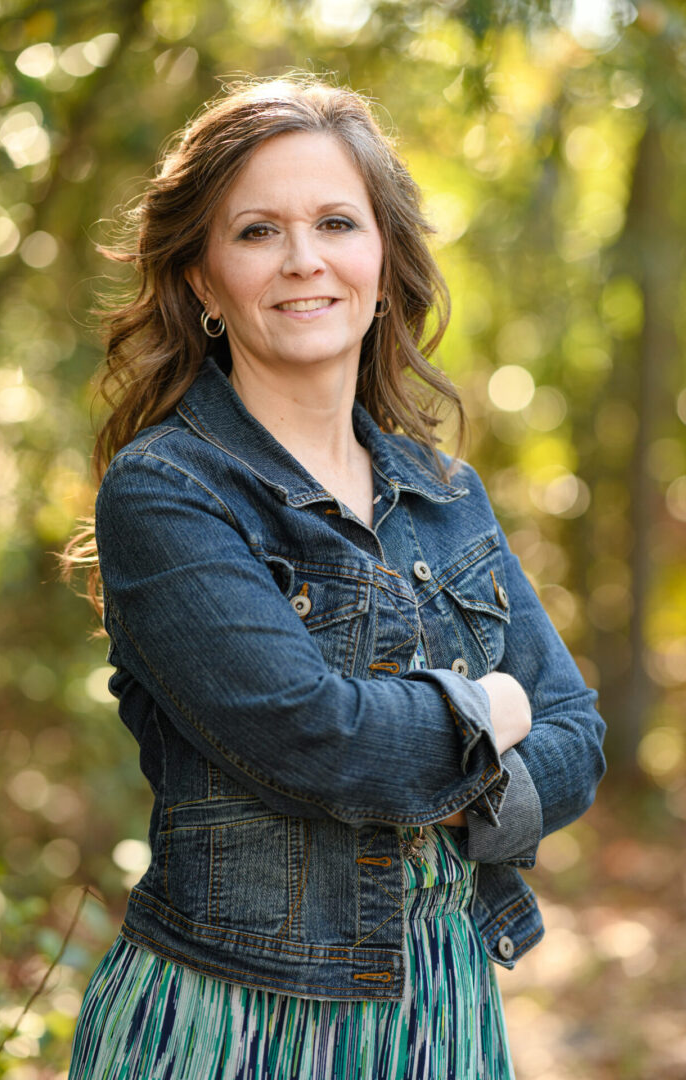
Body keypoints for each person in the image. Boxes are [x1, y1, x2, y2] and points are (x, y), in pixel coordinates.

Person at [64, 76, 606, 1080]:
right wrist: (491, 705)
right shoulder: (166, 493)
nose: (304, 260)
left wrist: (442, 769)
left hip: (445, 1008)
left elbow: (579, 737)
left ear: (384, 258)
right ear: (199, 280)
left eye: (336, 223)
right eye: (258, 232)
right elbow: (320, 741)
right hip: (232, 1017)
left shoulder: (446, 492)